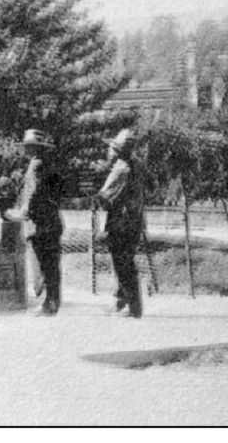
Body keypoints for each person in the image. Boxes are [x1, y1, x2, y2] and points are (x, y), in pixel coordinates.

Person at [5, 129, 64, 316]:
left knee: (44, 265)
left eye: (28, 146)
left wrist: (22, 212)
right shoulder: (49, 165)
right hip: (52, 220)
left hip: (40, 224)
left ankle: (49, 304)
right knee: (51, 265)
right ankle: (52, 302)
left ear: (33, 148)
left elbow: (33, 193)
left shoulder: (36, 166)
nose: (26, 150)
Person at [97, 128, 145, 318]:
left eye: (111, 148)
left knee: (123, 265)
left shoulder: (121, 168)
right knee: (126, 262)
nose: (108, 151)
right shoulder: (137, 166)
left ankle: (132, 307)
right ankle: (124, 301)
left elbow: (105, 197)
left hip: (121, 223)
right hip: (134, 222)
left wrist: (94, 195)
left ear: (117, 151)